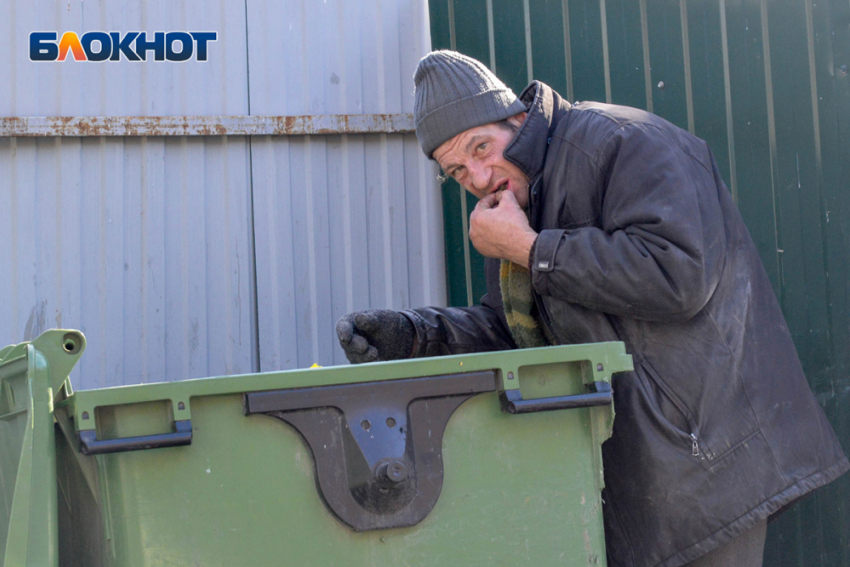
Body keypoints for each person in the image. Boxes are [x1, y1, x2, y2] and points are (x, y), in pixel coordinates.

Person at [335, 50, 849, 567]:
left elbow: (678, 273)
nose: (479, 175)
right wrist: (416, 334)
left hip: (706, 464)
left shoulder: (625, 141)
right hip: (632, 481)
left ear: (516, 116)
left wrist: (531, 249)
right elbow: (514, 330)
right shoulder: (516, 204)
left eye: (482, 147)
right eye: (458, 170)